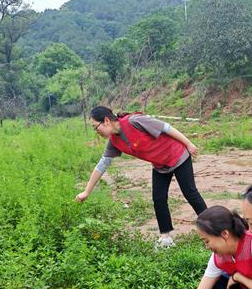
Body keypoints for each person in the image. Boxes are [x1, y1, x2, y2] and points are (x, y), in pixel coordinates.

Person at [76, 106, 207, 248]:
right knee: (158, 199)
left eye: (96, 127)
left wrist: (188, 143)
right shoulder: (114, 142)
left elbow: (166, 127)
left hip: (178, 155)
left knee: (190, 193)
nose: (97, 131)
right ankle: (166, 240)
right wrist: (86, 191)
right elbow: (102, 165)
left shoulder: (134, 121)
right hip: (160, 165)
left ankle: (214, 228)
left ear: (106, 120)